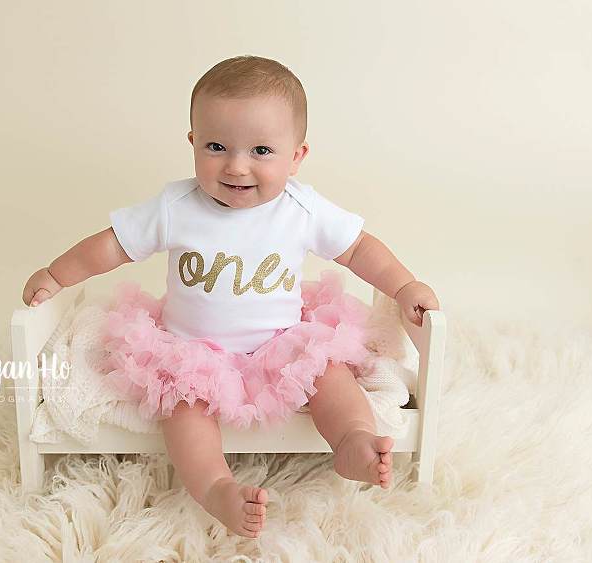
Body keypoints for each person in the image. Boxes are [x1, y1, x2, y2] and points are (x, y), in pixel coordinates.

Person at [22, 55, 440, 539]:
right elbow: (111, 245)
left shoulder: (300, 209)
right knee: (183, 411)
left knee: (330, 375)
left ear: (297, 156)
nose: (237, 166)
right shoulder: (176, 206)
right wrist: (56, 274)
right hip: (193, 350)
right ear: (193, 142)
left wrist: (404, 284)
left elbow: (360, 249)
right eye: (217, 146)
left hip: (282, 342)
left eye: (262, 150)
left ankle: (353, 440)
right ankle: (216, 486)